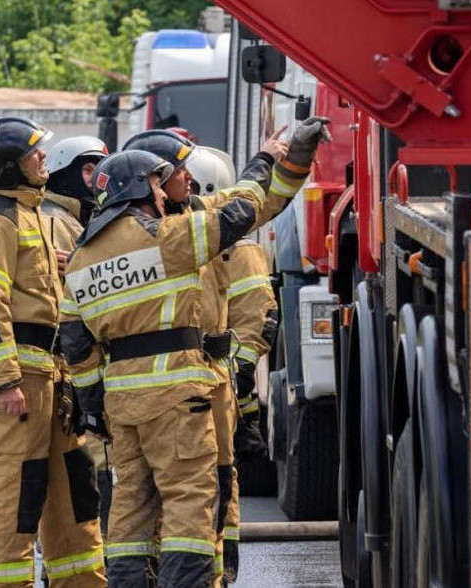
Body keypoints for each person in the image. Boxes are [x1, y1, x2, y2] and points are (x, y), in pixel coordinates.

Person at [62, 118, 326, 587]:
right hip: (177, 393)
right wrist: (264, 160)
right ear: (140, 187)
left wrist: (92, 405)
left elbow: (76, 343)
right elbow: (241, 214)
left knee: (129, 508)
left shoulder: (82, 257)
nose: (166, 194)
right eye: (158, 185)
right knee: (190, 501)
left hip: (122, 401)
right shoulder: (168, 238)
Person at [0, 117, 105, 587]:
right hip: (19, 381)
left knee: (75, 491)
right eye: (34, 152)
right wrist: (3, 380)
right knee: (13, 496)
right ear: (9, 165)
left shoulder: (34, 214)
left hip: (54, 380)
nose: (44, 158)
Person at [187, 144, 281, 584]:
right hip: (208, 382)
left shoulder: (238, 251)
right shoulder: (187, 238)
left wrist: (238, 381)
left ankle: (219, 572)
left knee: (218, 482)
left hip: (220, 382)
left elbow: (255, 323)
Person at [41, 135, 115, 535]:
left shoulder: (83, 220)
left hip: (88, 362)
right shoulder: (55, 221)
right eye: (87, 169)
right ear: (65, 173)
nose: (96, 178)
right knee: (79, 479)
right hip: (68, 366)